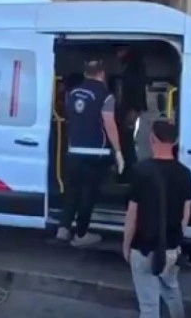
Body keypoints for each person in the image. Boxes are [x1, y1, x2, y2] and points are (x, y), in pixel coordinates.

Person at [122, 120, 191, 318]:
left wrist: (126, 245)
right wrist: (177, 243)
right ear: (175, 141)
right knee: (171, 288)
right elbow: (185, 215)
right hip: (170, 247)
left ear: (152, 139)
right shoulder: (185, 174)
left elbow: (132, 215)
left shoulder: (139, 171)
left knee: (149, 305)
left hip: (143, 247)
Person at [56, 60, 123, 247]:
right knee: (88, 194)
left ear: (85, 73)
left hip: (73, 151)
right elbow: (109, 124)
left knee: (72, 191)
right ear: (102, 74)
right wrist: (118, 151)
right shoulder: (106, 96)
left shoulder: (72, 93)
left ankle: (63, 228)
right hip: (95, 153)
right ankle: (81, 234)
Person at [115, 45, 148, 174]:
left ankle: (130, 172)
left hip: (130, 109)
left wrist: (135, 109)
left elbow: (137, 90)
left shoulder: (135, 69)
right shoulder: (131, 67)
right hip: (128, 108)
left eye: (120, 51)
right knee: (126, 141)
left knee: (128, 142)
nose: (118, 55)